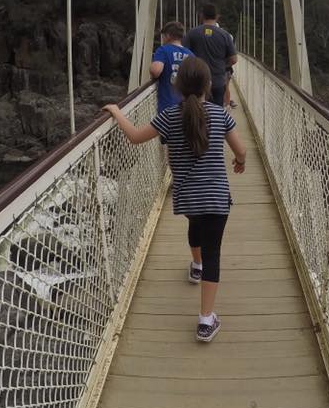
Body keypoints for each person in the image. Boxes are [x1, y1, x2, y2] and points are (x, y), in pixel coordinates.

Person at [103, 56, 246, 342]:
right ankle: (206, 320)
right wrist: (240, 161)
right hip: (217, 197)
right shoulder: (220, 114)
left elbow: (134, 136)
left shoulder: (169, 116)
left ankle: (196, 265)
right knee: (213, 251)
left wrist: (117, 112)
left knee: (195, 226)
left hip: (188, 197)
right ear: (208, 85)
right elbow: (241, 149)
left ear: (178, 86)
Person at [184, 5, 237, 107]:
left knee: (197, 110)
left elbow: (184, 55)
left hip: (197, 80)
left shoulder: (192, 33)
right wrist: (223, 65)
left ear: (201, 16)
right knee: (216, 111)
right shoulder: (225, 35)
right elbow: (233, 60)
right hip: (218, 80)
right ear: (217, 17)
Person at [149, 21, 193, 114]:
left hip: (168, 105)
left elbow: (156, 71)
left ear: (168, 35)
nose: (163, 39)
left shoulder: (163, 50)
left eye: (163, 36)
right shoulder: (191, 54)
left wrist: (152, 70)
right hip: (187, 106)